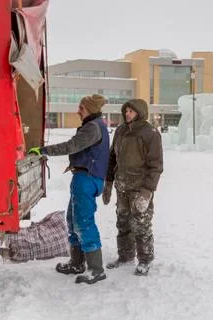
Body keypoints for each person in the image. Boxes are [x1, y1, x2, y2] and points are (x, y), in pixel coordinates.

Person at [28, 94, 109, 284]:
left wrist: (44, 150)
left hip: (87, 178)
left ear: (90, 109)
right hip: (84, 176)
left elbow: (72, 146)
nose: (78, 111)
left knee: (83, 222)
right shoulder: (95, 125)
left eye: (81, 108)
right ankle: (77, 262)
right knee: (73, 220)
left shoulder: (93, 127)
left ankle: (96, 269)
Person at [102, 99, 163, 276]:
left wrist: (147, 192)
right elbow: (112, 157)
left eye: (131, 111)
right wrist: (108, 182)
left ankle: (145, 260)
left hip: (139, 188)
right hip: (122, 186)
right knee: (122, 222)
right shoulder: (121, 130)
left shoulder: (150, 133)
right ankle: (126, 256)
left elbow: (156, 166)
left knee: (141, 224)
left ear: (140, 112)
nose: (127, 114)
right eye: (126, 111)